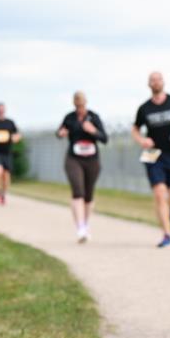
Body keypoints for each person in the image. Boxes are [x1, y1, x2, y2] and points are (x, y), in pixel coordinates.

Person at [131, 71, 170, 248]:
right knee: (160, 194)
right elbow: (135, 129)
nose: (155, 82)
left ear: (163, 82)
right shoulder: (144, 108)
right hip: (153, 154)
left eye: (158, 79)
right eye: (152, 80)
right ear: (148, 84)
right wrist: (142, 140)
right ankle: (167, 234)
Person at [57, 91, 108, 242]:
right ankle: (80, 228)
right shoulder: (70, 118)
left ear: (86, 102)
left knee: (88, 194)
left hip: (92, 159)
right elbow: (59, 132)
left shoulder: (94, 117)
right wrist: (61, 133)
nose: (80, 107)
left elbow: (104, 138)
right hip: (74, 158)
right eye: (77, 104)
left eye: (82, 104)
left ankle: (85, 224)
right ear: (74, 104)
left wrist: (92, 131)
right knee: (78, 191)